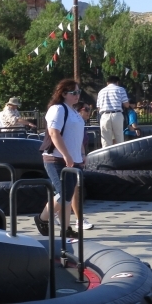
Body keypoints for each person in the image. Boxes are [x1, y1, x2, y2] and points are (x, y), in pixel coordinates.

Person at [35, 79, 91, 238]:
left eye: (79, 92)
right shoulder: (58, 109)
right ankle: (42, 218)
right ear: (64, 94)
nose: (77, 95)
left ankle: (65, 228)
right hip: (56, 159)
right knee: (64, 193)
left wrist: (81, 153)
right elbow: (54, 133)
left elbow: (78, 136)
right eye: (74, 93)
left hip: (73, 159)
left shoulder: (74, 111)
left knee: (68, 194)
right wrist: (66, 155)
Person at [96, 75, 129, 147]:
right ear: (117, 82)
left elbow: (98, 107)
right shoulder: (120, 89)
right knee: (119, 137)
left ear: (107, 83)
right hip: (117, 114)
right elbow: (126, 105)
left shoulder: (101, 91)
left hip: (104, 115)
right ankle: (120, 155)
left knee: (105, 140)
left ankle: (106, 156)